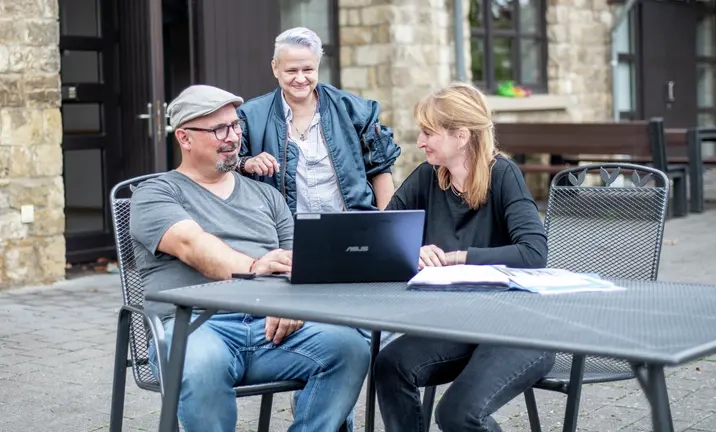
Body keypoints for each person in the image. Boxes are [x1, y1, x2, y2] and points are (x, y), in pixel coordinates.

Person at [129, 84, 370, 432]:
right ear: (184, 137)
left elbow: (298, 262)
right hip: (193, 326)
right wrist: (256, 269)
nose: (233, 138)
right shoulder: (156, 192)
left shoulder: (266, 196)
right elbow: (191, 244)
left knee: (348, 348)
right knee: (200, 363)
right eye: (218, 129)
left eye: (235, 126)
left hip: (268, 328)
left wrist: (291, 304)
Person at [373, 82, 554, 432]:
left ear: (461, 136)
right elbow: (383, 231)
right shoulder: (428, 177)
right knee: (389, 364)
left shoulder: (504, 175)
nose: (420, 142)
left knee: (457, 414)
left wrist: (459, 258)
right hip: (460, 324)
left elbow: (534, 253)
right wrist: (412, 249)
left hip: (520, 328)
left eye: (428, 133)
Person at [236, 27, 401, 213]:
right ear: (275, 68)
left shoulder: (354, 110)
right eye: (291, 70)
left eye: (308, 69)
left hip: (352, 230)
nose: (300, 79)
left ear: (318, 64)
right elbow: (224, 166)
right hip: (285, 235)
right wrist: (245, 163)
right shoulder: (249, 116)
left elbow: (380, 169)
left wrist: (386, 227)